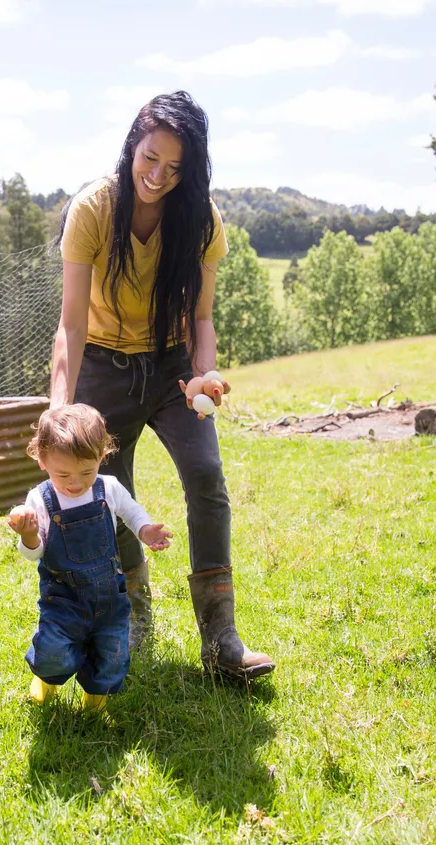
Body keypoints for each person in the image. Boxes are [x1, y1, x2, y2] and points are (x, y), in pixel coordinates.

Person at [51, 91, 275, 680]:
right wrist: (60, 405)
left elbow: (202, 317)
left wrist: (205, 372)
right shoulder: (94, 209)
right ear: (133, 146)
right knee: (109, 490)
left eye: (175, 168)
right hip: (102, 365)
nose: (157, 177)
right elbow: (71, 323)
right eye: (150, 159)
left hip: (174, 363)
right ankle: (134, 612)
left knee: (206, 475)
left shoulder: (200, 218)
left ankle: (221, 638)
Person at [8, 405, 172, 712]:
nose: (75, 483)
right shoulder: (40, 499)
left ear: (102, 454)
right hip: (63, 599)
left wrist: (145, 530)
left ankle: (94, 704)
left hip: (109, 597)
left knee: (111, 654)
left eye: (87, 471)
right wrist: (29, 536)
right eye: (63, 474)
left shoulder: (107, 488)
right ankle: (45, 682)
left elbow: (130, 510)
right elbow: (34, 553)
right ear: (42, 460)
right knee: (54, 650)